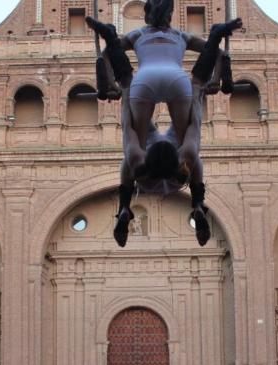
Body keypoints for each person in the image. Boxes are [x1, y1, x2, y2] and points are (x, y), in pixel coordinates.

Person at [87, 0, 242, 247]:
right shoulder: (140, 159)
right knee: (190, 86)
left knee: (129, 81)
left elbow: (106, 58)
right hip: (176, 80)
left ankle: (124, 207)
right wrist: (212, 80)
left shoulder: (181, 156)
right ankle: (198, 204)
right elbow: (219, 57)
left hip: (145, 81)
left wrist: (110, 84)